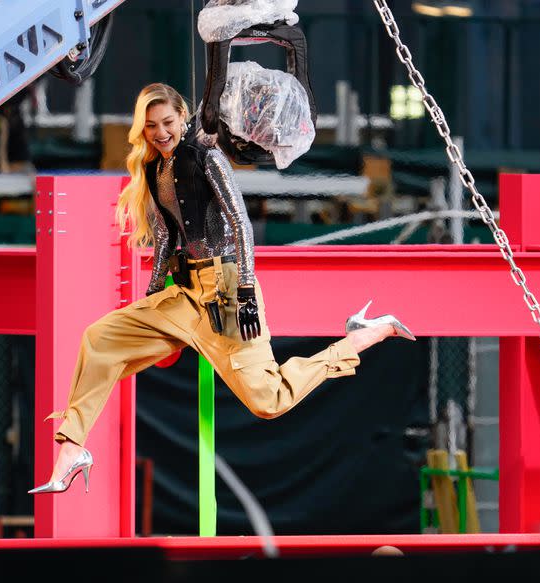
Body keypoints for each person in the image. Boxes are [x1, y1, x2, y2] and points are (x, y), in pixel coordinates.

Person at [29, 82, 414, 494]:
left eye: (168, 122)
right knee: (99, 338)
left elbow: (240, 225)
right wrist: (151, 299)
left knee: (268, 400)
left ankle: (364, 335)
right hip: (185, 291)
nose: (160, 132)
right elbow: (164, 239)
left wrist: (246, 291)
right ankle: (71, 447)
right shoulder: (151, 169)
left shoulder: (207, 157)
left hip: (226, 290)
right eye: (151, 126)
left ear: (183, 117)